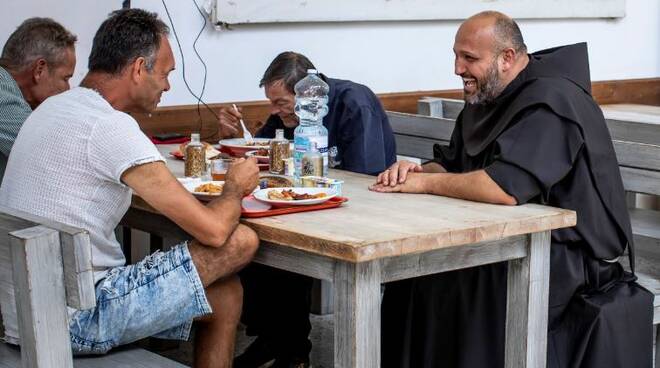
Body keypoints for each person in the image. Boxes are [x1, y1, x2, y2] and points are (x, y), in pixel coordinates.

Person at [370, 11, 652, 368]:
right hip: (505, 239)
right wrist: (412, 171)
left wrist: (423, 182)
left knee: (462, 283)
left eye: (469, 58)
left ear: (507, 58)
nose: (458, 68)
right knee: (412, 271)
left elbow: (504, 188)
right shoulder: (489, 93)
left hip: (564, 257)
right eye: (456, 56)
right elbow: (455, 164)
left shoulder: (553, 100)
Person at [0, 9, 260, 368]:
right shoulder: (109, 126)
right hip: (74, 320)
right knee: (240, 241)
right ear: (139, 69)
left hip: (17, 312)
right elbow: (214, 232)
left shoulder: (50, 108)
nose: (167, 86)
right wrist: (235, 187)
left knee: (225, 293)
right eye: (166, 74)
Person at [219, 51, 397, 367]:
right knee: (248, 239)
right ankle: (278, 341)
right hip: (307, 207)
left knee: (272, 244)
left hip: (360, 212)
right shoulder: (289, 114)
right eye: (271, 103)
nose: (274, 112)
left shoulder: (353, 103)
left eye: (281, 104)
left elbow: (363, 178)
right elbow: (262, 154)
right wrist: (234, 138)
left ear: (306, 93)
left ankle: (289, 348)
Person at [0, 17, 76, 180]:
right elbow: (57, 155)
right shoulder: (4, 102)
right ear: (39, 70)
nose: (67, 89)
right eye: (65, 78)